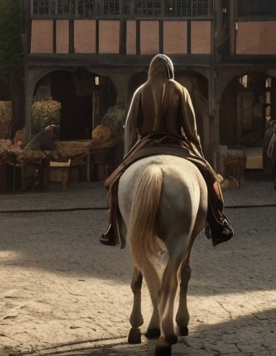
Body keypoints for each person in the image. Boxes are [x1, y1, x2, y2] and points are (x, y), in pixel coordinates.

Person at [99, 54, 233, 248]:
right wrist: (199, 155)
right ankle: (217, 222)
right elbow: (191, 129)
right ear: (169, 70)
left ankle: (112, 228)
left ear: (151, 70)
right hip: (177, 144)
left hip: (145, 144)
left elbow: (129, 128)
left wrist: (127, 157)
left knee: (114, 184)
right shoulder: (180, 90)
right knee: (211, 180)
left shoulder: (141, 91)